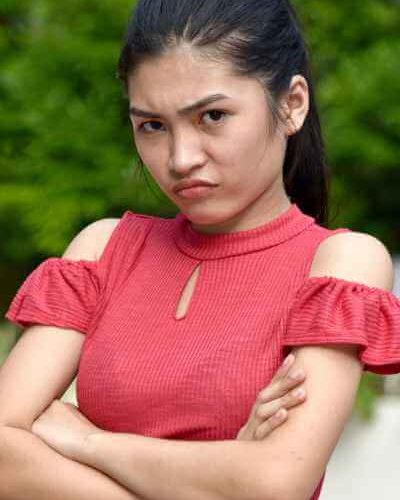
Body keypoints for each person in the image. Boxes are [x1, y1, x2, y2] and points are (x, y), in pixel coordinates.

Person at [1, 0, 400, 499]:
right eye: (152, 125)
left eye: (212, 116)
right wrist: (222, 471)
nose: (180, 158)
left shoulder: (340, 264)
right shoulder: (103, 250)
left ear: (292, 104)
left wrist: (87, 440)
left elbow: (275, 482)